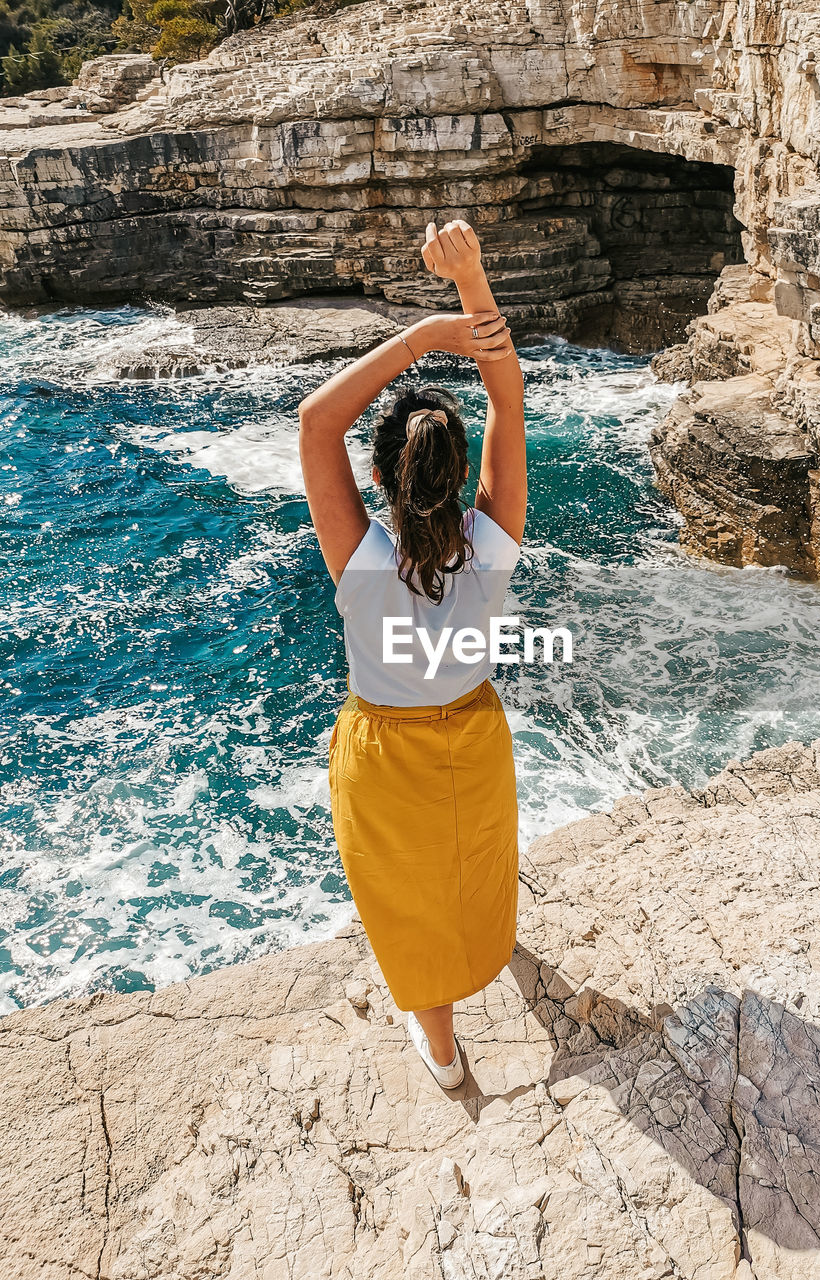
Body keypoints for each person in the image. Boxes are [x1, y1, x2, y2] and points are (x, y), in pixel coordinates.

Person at [298, 219, 526, 1089]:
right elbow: (509, 402)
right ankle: (495, 951)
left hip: (385, 752)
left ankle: (442, 1052)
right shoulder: (493, 547)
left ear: (384, 479)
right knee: (474, 861)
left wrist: (427, 336)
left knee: (408, 898)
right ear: (463, 471)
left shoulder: (359, 564)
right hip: (473, 735)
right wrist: (470, 288)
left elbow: (318, 424)